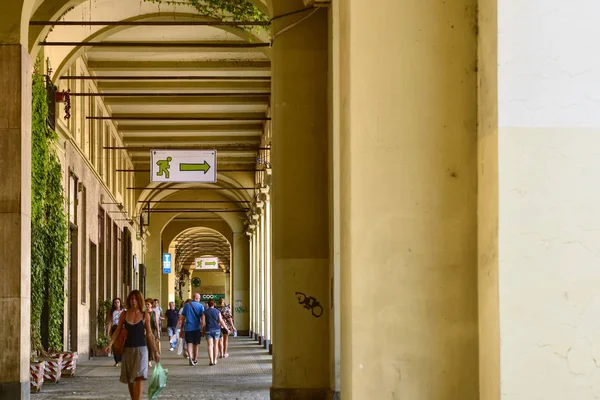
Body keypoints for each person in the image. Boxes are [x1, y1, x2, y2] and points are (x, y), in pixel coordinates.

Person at [106, 290, 159, 400]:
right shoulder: (124, 314)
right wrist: (110, 344)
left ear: (139, 300)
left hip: (141, 349)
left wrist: (155, 351)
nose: (133, 301)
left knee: (139, 376)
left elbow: (149, 335)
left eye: (135, 299)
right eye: (131, 299)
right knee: (130, 377)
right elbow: (117, 331)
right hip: (127, 349)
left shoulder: (145, 315)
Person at [176, 293, 204, 366]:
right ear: (197, 298)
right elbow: (202, 319)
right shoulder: (201, 306)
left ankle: (190, 358)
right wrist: (202, 327)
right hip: (197, 328)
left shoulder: (186, 305)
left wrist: (182, 328)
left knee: (189, 343)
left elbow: (183, 317)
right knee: (196, 344)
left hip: (188, 328)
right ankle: (195, 359)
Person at [202, 299, 230, 366]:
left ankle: (210, 360)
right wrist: (227, 328)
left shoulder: (205, 312)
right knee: (215, 346)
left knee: (210, 346)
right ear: (214, 304)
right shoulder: (217, 311)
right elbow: (221, 321)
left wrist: (202, 330)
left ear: (208, 304)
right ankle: (215, 360)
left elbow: (203, 323)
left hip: (208, 330)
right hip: (217, 330)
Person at [106, 298, 126, 366]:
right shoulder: (112, 312)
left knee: (123, 344)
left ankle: (123, 360)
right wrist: (108, 332)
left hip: (123, 328)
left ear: (120, 303)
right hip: (115, 328)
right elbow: (110, 322)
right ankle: (117, 361)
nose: (117, 304)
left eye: (118, 302)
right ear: (113, 304)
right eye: (115, 302)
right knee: (115, 345)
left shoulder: (124, 311)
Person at [145, 299, 161, 367]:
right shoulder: (144, 313)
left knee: (151, 345)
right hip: (145, 330)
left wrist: (158, 332)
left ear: (151, 305)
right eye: (146, 304)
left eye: (148, 304)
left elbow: (157, 322)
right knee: (146, 345)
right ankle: (146, 359)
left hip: (153, 331)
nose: (147, 305)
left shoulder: (154, 312)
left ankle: (149, 360)